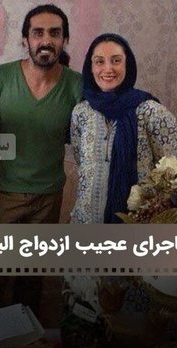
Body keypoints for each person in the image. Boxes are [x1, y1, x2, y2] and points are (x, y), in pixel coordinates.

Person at [0, 4, 83, 322]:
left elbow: (81, 138)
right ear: (26, 39)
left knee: (32, 280)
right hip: (0, 193)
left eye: (54, 33)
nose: (46, 40)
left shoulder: (76, 86)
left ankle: (27, 345)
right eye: (38, 33)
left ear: (64, 40)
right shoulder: (1, 78)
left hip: (47, 197)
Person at [70, 33, 177, 224]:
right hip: (85, 222)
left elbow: (172, 173)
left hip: (137, 224)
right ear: (90, 67)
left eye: (116, 60)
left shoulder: (151, 112)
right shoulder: (81, 113)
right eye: (99, 61)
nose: (108, 69)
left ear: (128, 64)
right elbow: (82, 162)